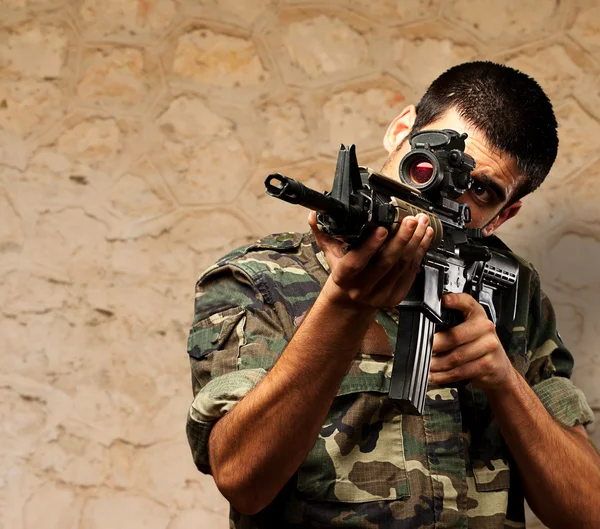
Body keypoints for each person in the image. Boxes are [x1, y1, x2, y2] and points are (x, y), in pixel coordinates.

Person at [185, 61, 600, 528]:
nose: (444, 192)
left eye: (479, 190)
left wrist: (504, 381)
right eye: (429, 161)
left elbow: (587, 511)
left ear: (504, 216)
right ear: (401, 129)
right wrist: (345, 307)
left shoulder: (513, 290)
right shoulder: (259, 279)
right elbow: (242, 481)